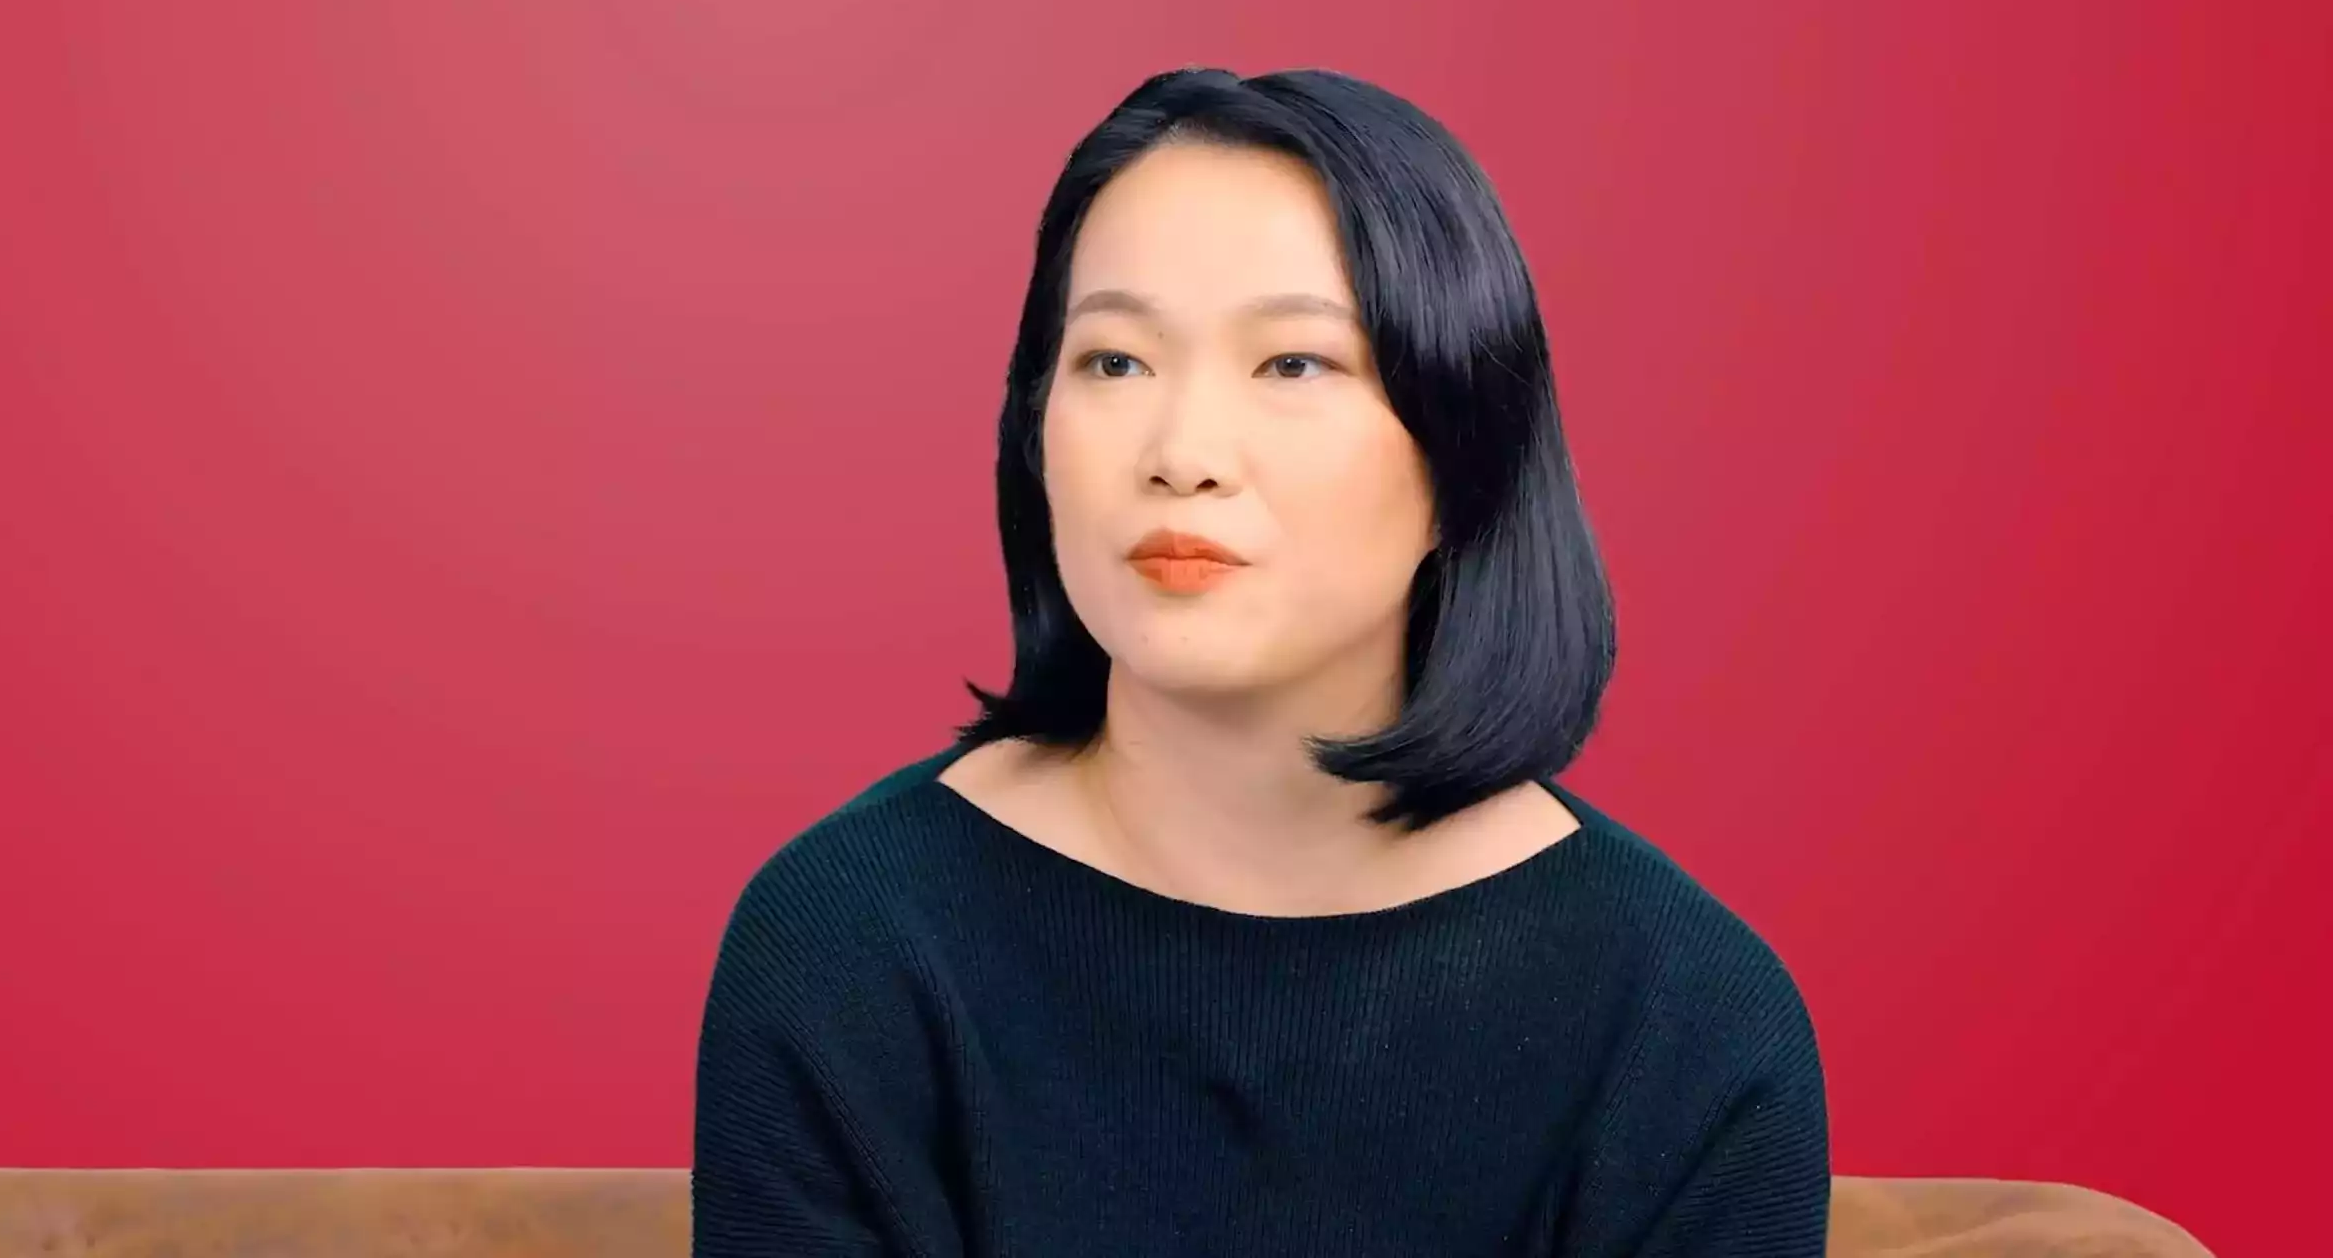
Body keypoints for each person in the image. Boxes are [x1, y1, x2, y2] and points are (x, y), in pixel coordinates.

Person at [693, 66, 1829, 1257]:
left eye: (1293, 364)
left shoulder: (1687, 1018)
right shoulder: (848, 939)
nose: (1181, 454)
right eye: (1114, 362)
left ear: (1463, 455)